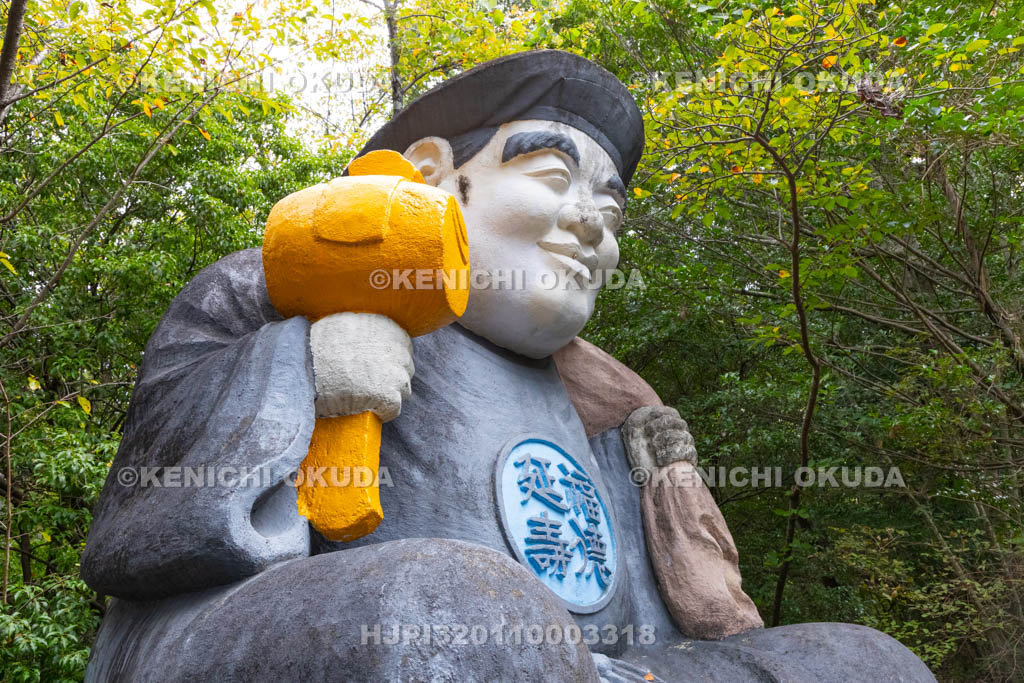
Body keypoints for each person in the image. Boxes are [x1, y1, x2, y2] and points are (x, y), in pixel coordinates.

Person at [80, 50, 934, 681]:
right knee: (455, 610)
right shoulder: (293, 284)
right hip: (348, 627)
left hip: (591, 662)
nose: (593, 223)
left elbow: (645, 620)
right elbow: (141, 531)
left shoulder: (608, 404)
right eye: (555, 174)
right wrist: (302, 366)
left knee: (866, 663)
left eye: (610, 207)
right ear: (434, 177)